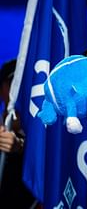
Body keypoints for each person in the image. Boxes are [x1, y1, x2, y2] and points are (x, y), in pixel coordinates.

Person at [0, 59, 38, 208]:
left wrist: (20, 146)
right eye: (13, 83)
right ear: (1, 89)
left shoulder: (44, 130)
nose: (18, 90)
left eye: (24, 82)